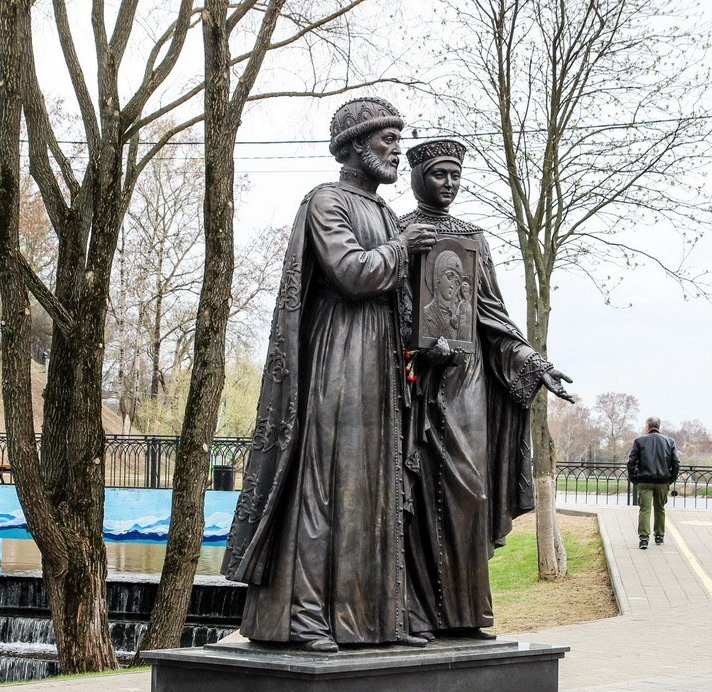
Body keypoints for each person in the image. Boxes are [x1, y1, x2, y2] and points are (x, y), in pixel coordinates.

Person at [221, 97, 439, 653]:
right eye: (387, 140)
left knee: (375, 488)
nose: (396, 150)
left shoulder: (388, 214)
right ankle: (305, 617)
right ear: (355, 146)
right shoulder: (326, 201)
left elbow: (402, 297)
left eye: (398, 139)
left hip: (382, 367)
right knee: (327, 486)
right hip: (337, 361)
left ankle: (378, 620)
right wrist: (401, 249)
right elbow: (350, 273)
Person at [398, 138, 576, 642]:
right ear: (417, 178)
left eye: (455, 175)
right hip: (417, 384)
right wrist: (418, 347)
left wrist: (532, 360)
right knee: (415, 496)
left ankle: (464, 613)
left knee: (469, 493)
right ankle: (418, 615)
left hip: (468, 384)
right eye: (438, 174)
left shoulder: (474, 238)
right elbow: (389, 313)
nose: (448, 184)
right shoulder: (400, 232)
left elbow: (492, 317)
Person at [626, 416, 681, 549]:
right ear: (659, 426)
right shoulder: (670, 441)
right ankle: (659, 536)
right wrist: (670, 479)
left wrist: (633, 478)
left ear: (648, 427)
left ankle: (644, 539)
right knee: (660, 508)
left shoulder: (639, 441)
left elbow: (631, 461)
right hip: (662, 480)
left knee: (645, 509)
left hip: (644, 480)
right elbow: (676, 463)